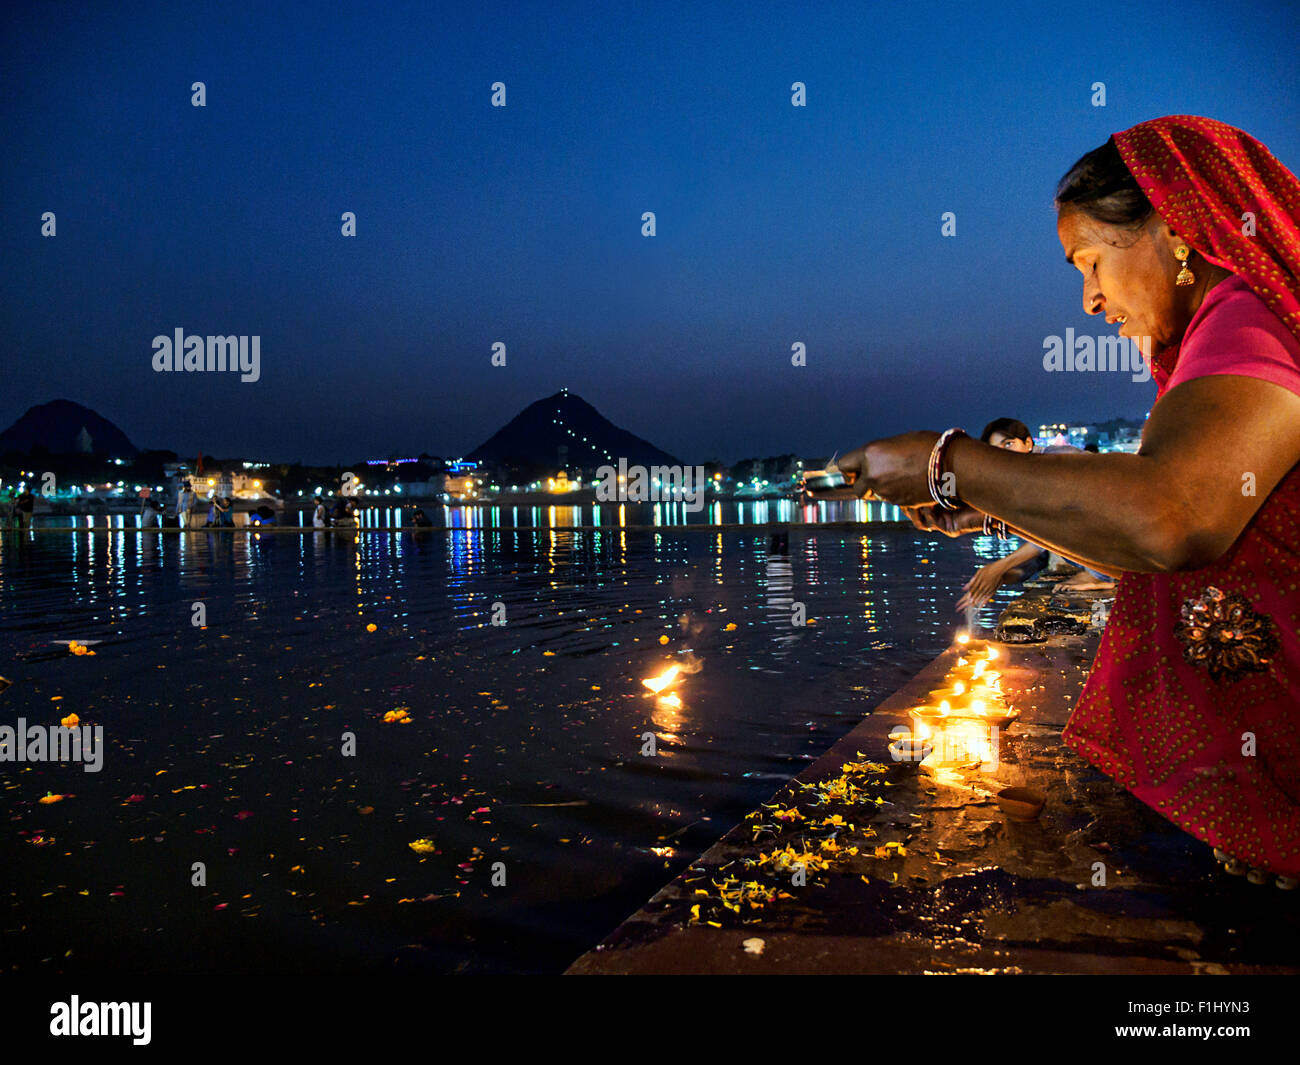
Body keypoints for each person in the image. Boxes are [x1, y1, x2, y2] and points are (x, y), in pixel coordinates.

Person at [822, 117, 1300, 888]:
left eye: (1090, 263)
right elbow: (1137, 531)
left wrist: (947, 461)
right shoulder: (1218, 331)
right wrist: (999, 507)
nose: (1088, 301)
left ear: (1172, 231)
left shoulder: (1251, 314)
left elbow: (1171, 517)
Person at [956, 418, 1115, 612]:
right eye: (996, 450)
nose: (1003, 454)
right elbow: (1041, 549)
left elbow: (1054, 529)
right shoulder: (1023, 481)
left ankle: (1101, 576)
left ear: (1028, 443)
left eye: (1009, 444)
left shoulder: (1053, 462)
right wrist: (1000, 577)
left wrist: (999, 566)